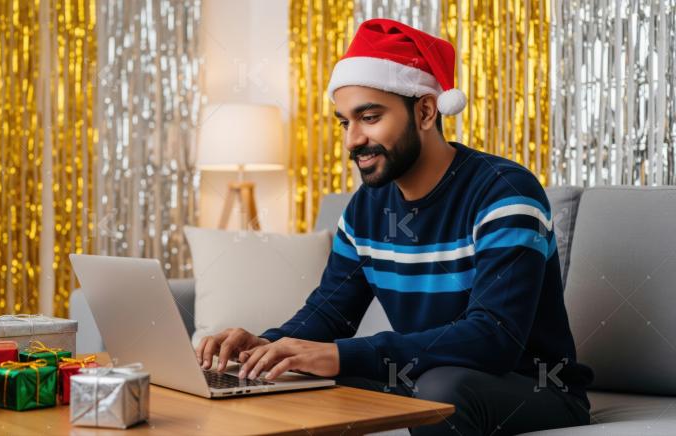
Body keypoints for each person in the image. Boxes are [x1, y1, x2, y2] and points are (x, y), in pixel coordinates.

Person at [195, 18, 593, 436]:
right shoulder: (366, 208)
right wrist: (265, 347)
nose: (352, 140)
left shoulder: (505, 194)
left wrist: (339, 356)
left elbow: (492, 339)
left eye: (368, 117)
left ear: (424, 111)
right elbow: (328, 313)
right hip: (423, 379)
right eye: (345, 122)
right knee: (293, 383)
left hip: (538, 388)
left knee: (442, 390)